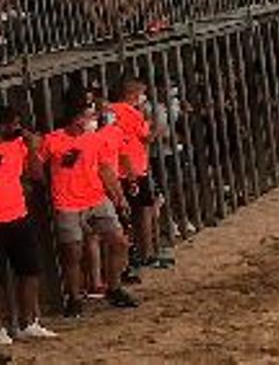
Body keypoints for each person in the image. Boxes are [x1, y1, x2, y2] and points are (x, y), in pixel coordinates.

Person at [38, 100, 139, 316]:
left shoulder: (95, 139)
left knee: (119, 242)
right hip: (66, 203)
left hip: (96, 199)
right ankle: (74, 298)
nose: (94, 119)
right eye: (89, 116)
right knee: (72, 252)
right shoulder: (53, 140)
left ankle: (114, 287)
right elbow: (36, 168)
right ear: (77, 119)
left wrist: (119, 197)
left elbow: (105, 169)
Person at [0, 106, 58, 342]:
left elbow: (37, 176)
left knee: (30, 270)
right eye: (11, 124)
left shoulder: (18, 146)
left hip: (18, 216)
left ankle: (29, 322)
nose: (16, 128)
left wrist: (34, 150)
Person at [110, 80, 164, 278]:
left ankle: (138, 255)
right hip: (134, 169)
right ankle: (145, 254)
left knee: (130, 215)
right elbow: (147, 137)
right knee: (143, 211)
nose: (143, 98)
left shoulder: (112, 111)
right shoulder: (131, 112)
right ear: (132, 94)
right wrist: (158, 126)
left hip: (120, 170)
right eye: (142, 94)